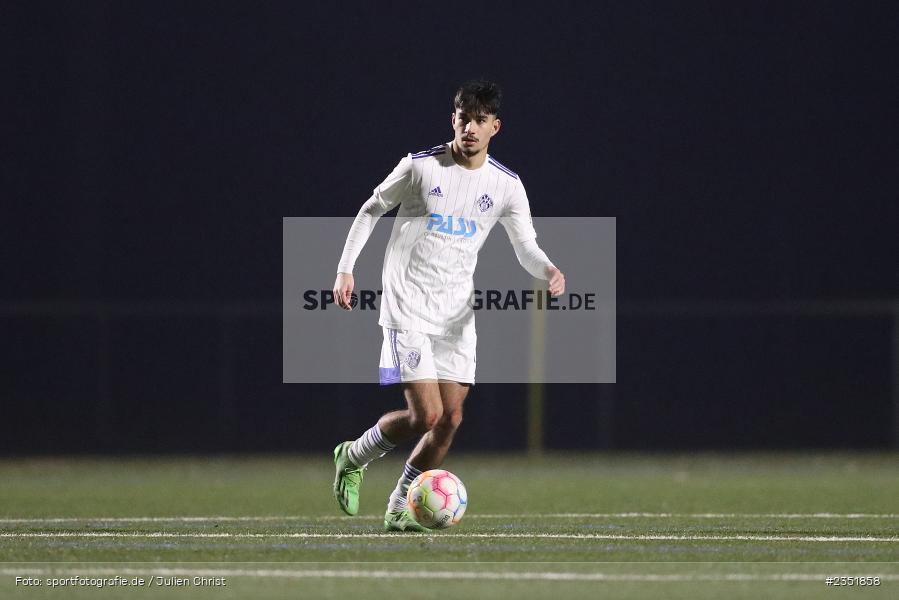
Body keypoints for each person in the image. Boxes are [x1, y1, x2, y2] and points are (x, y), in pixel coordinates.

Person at [332, 79, 565, 531]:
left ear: (495, 126)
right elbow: (370, 209)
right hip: (407, 304)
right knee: (427, 415)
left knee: (451, 419)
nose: (470, 128)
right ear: (452, 119)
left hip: (457, 314)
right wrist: (345, 269)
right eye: (463, 118)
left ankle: (400, 503)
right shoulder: (420, 167)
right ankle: (354, 455)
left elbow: (525, 245)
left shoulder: (506, 185)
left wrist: (549, 269)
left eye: (480, 120)